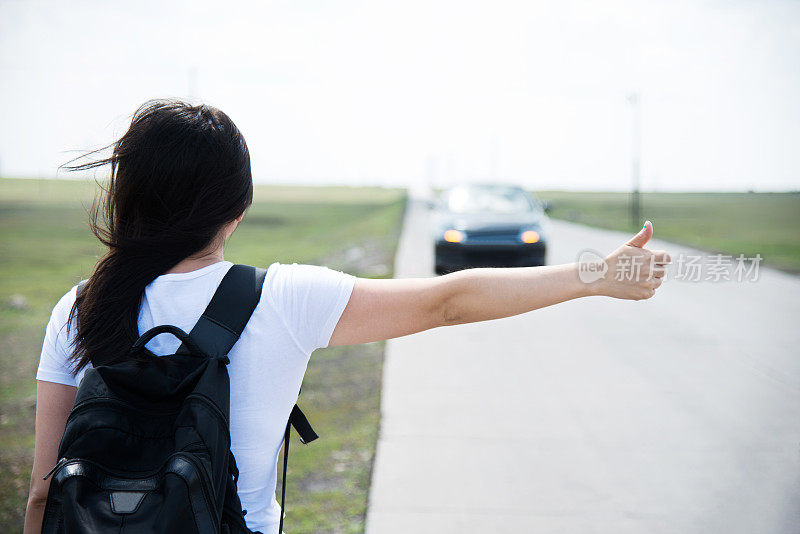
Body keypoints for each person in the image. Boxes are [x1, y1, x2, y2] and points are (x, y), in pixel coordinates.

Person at [24, 100, 670, 534]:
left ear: (126, 199)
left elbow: (42, 495)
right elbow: (450, 301)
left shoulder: (79, 308)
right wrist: (594, 277)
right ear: (238, 208)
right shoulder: (280, 300)